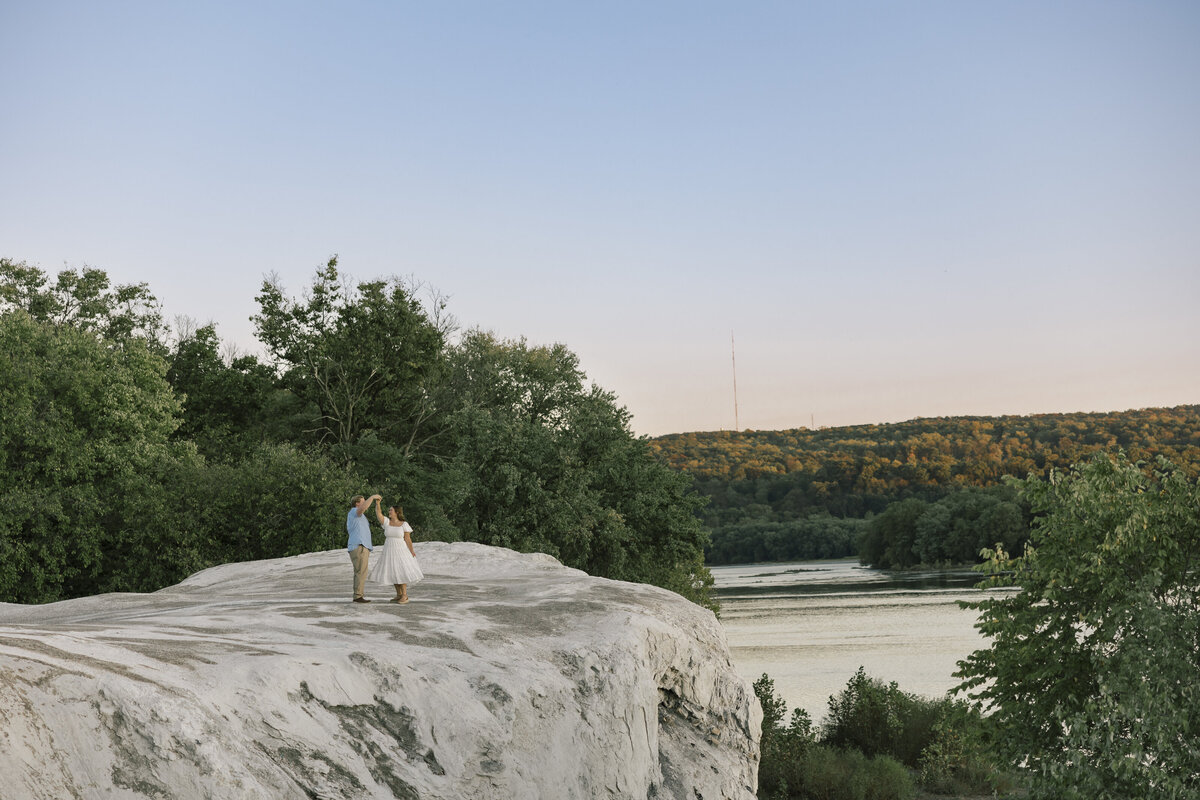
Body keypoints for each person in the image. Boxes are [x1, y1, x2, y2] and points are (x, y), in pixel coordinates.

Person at [366, 499, 424, 603]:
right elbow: (378, 514)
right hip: (389, 549)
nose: (389, 512)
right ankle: (398, 594)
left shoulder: (403, 524)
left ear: (397, 512)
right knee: (393, 571)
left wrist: (412, 551)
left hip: (400, 550)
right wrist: (377, 503)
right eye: (389, 510)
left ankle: (405, 595)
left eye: (391, 510)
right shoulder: (387, 523)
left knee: (401, 571)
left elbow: (408, 539)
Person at [346, 494, 380, 603]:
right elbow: (363, 507)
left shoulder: (359, 515)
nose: (365, 502)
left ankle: (358, 595)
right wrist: (373, 497)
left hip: (361, 546)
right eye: (363, 500)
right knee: (361, 571)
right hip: (359, 546)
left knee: (360, 571)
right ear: (357, 503)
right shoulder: (354, 512)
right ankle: (358, 596)